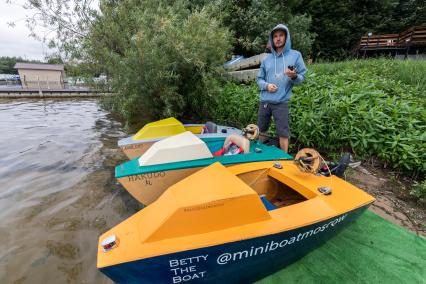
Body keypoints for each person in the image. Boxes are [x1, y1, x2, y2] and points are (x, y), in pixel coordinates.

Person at [257, 24, 307, 152]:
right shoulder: (266, 59)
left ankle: (284, 158)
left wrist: (294, 76)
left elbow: (302, 77)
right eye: (275, 36)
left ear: (286, 37)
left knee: (283, 133)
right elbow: (259, 79)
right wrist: (266, 86)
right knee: (261, 130)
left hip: (281, 102)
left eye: (281, 35)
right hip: (265, 102)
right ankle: (258, 154)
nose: (278, 39)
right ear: (272, 39)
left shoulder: (295, 55)